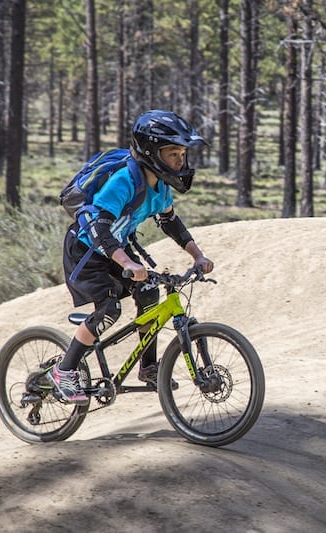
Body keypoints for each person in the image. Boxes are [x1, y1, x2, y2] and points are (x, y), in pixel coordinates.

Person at [48, 110, 214, 404]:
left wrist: (197, 256)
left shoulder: (162, 187)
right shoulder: (124, 181)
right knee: (109, 309)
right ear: (151, 153)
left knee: (149, 293)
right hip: (86, 254)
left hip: (116, 252)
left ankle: (149, 368)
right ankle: (65, 370)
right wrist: (126, 262)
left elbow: (170, 222)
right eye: (173, 153)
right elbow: (97, 225)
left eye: (183, 154)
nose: (181, 161)